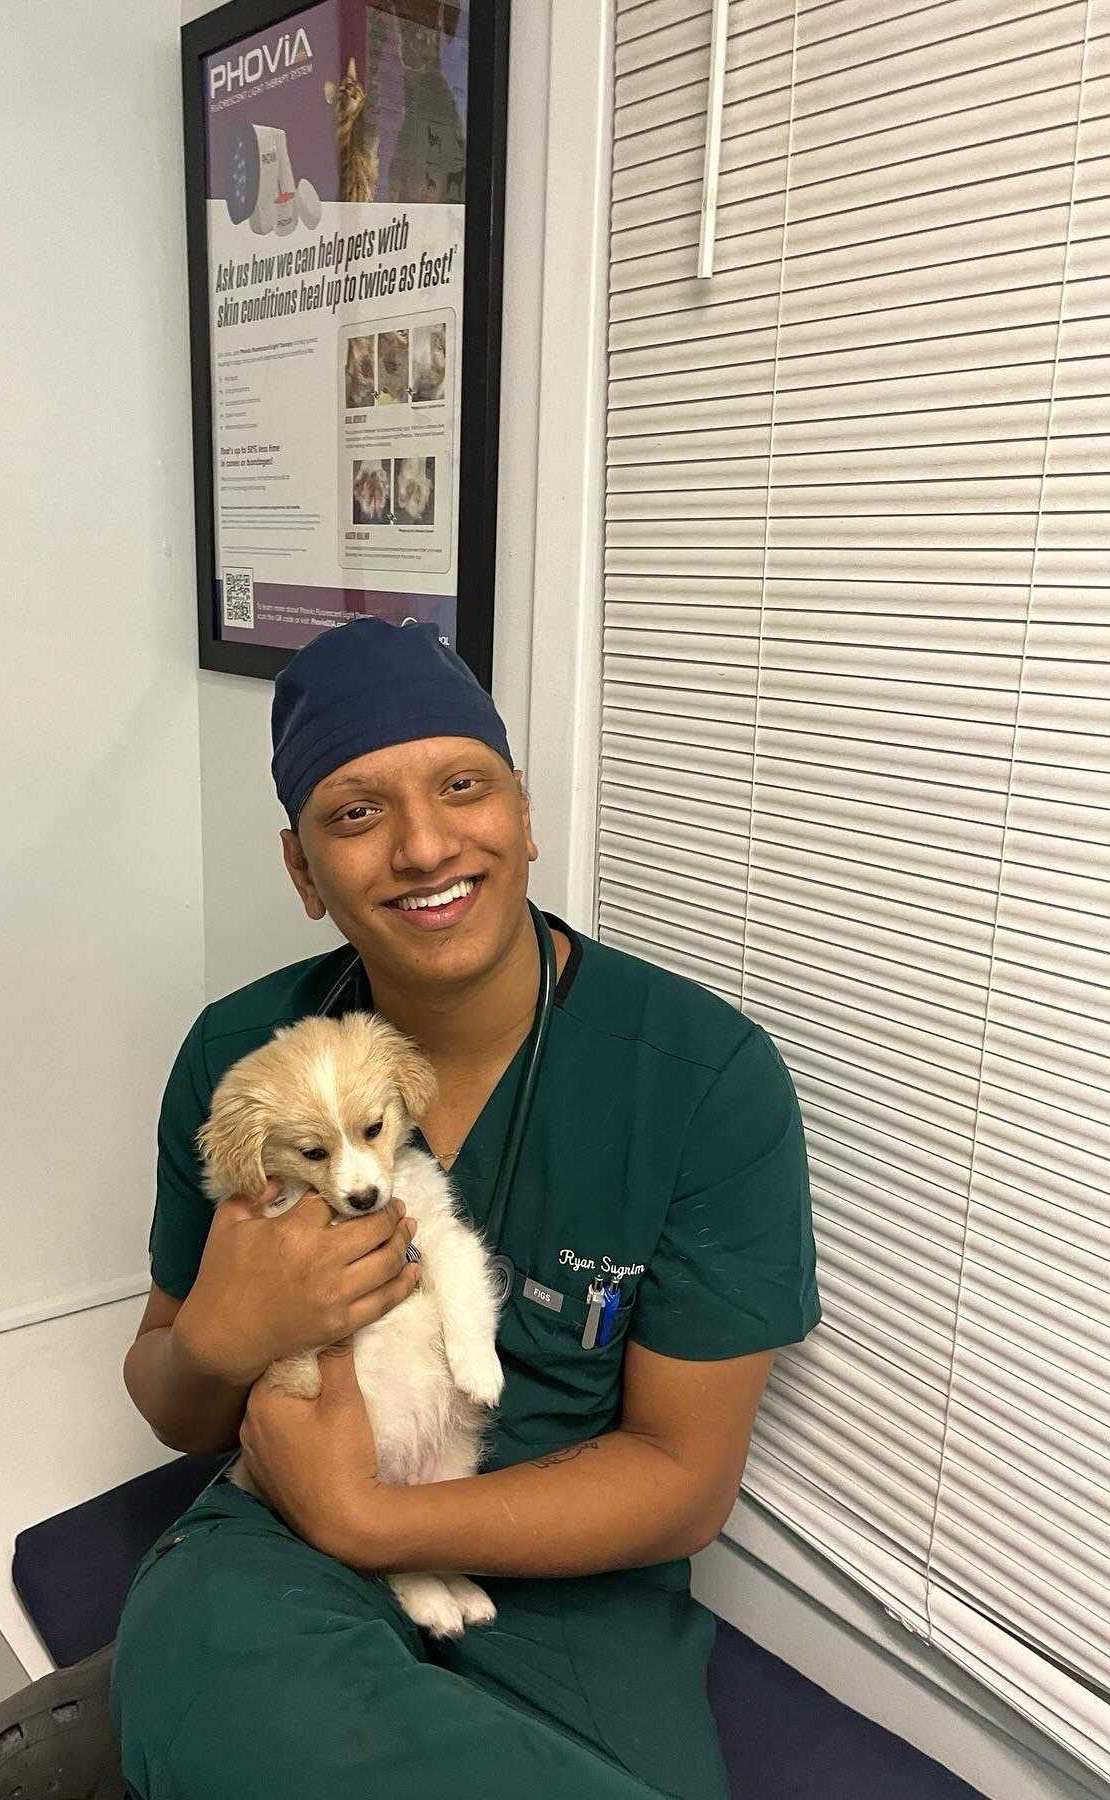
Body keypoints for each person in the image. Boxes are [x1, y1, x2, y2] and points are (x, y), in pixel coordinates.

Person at [113, 618, 821, 1800]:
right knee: (219, 1675)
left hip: (567, 1570)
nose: (424, 845)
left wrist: (371, 1523)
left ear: (524, 814)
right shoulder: (246, 1061)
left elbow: (683, 1478)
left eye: (462, 786)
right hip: (280, 1530)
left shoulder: (702, 1079)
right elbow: (169, 1402)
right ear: (302, 871)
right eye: (356, 812)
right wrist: (215, 1343)